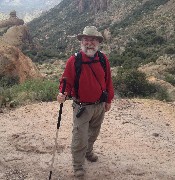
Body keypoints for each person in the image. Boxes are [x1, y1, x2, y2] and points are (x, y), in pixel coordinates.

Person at [57, 26, 114, 177]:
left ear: (98, 43)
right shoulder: (74, 60)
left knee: (93, 133)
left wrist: (108, 100)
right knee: (80, 137)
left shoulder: (102, 59)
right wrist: (62, 93)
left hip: (99, 105)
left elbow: (108, 80)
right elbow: (66, 81)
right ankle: (78, 166)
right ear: (82, 42)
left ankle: (88, 152)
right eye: (86, 40)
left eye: (92, 40)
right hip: (82, 107)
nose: (89, 43)